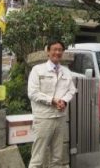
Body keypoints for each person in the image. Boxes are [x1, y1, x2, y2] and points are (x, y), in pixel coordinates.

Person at [28, 40, 76, 168]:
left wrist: (64, 101)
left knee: (57, 157)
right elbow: (33, 93)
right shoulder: (37, 70)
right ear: (48, 51)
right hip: (43, 118)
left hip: (60, 118)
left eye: (60, 50)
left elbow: (72, 90)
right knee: (38, 157)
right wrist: (52, 100)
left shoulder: (66, 71)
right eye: (54, 49)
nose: (57, 52)